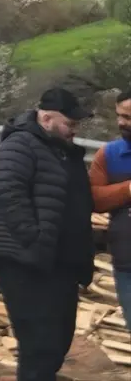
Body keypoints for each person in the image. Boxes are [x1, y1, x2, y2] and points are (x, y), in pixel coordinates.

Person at [0, 88, 94, 381]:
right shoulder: (20, 145)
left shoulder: (60, 150)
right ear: (46, 118)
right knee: (39, 344)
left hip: (58, 262)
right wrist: (34, 239)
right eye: (70, 124)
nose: (74, 131)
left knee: (59, 338)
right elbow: (8, 193)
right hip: (26, 261)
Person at [88, 89, 131, 322]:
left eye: (129, 118)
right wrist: (128, 189)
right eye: (119, 116)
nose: (121, 123)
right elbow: (94, 199)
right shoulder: (109, 155)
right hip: (127, 261)